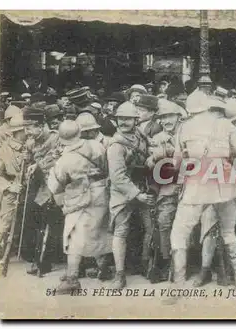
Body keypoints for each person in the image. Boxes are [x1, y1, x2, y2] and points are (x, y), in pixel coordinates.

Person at [166, 89, 236, 303]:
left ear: (190, 110)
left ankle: (178, 286)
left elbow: (177, 162)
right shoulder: (225, 124)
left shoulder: (184, 127)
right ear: (208, 106)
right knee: (228, 231)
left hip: (196, 181)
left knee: (179, 234)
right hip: (224, 180)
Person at [47, 120, 113, 294]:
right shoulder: (96, 146)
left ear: (61, 138)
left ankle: (72, 279)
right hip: (102, 192)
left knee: (73, 236)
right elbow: (108, 167)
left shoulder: (64, 160)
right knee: (100, 231)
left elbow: (55, 186)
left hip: (80, 198)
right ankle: (103, 269)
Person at [107, 102, 156, 288]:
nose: (124, 122)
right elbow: (117, 177)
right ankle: (119, 274)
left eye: (128, 118)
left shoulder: (139, 134)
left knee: (150, 227)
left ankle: (145, 264)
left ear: (136, 120)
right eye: (121, 118)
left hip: (142, 185)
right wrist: (137, 195)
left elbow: (149, 147)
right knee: (120, 232)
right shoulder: (116, 145)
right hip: (123, 192)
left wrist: (152, 154)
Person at [145, 99, 185, 282]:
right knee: (164, 223)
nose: (167, 120)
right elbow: (152, 163)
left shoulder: (187, 134)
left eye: (170, 116)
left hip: (189, 185)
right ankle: (167, 261)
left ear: (178, 116)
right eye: (163, 117)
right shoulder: (157, 138)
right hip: (168, 187)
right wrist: (156, 159)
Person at [24, 106, 65, 276]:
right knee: (41, 223)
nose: (27, 132)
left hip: (58, 187)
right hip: (41, 188)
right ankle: (40, 260)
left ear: (41, 125)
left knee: (52, 224)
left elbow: (58, 157)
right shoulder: (31, 142)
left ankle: (45, 261)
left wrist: (39, 165)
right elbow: (28, 161)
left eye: (30, 128)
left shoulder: (57, 138)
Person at [0, 114, 29, 260]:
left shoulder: (30, 147)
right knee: (5, 224)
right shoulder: (4, 149)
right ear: (17, 131)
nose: (28, 132)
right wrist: (10, 187)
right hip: (11, 191)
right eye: (25, 129)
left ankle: (18, 249)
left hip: (27, 191)